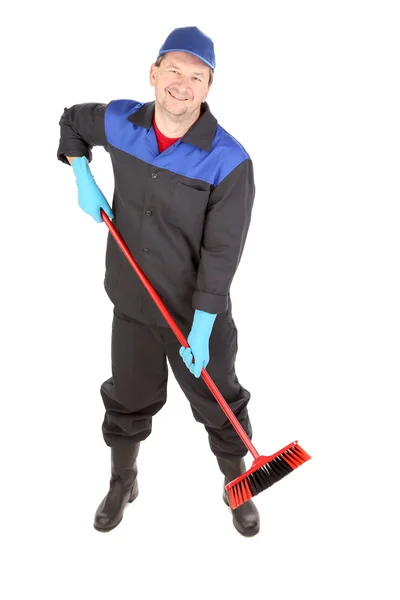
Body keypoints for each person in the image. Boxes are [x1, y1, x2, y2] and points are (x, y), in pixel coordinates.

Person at [57, 26, 259, 537]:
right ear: (153, 73)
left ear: (209, 88)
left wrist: (205, 322)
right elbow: (71, 122)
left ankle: (237, 488)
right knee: (127, 398)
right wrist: (81, 172)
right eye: (174, 71)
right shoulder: (121, 121)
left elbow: (222, 251)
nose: (182, 85)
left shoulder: (228, 160)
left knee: (221, 405)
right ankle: (123, 482)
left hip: (196, 316)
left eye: (197, 76)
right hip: (132, 302)